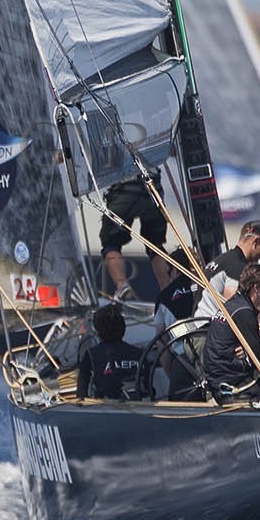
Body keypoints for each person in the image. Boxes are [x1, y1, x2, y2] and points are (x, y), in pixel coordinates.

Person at [202, 264, 260, 402]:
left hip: (216, 371)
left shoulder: (235, 303)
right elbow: (257, 355)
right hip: (228, 376)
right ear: (257, 288)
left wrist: (245, 351)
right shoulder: (244, 311)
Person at [99, 171, 169, 299]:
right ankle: (167, 288)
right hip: (153, 188)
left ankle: (122, 286)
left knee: (111, 243)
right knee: (155, 245)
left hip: (125, 190)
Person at [192, 220, 260, 320]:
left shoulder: (223, 260)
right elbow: (235, 310)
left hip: (200, 324)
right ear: (256, 242)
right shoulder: (237, 267)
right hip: (207, 329)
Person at [75, 303, 140, 400]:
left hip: (105, 410)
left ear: (98, 330)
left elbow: (81, 395)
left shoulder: (91, 355)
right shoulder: (138, 353)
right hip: (140, 409)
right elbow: (148, 389)